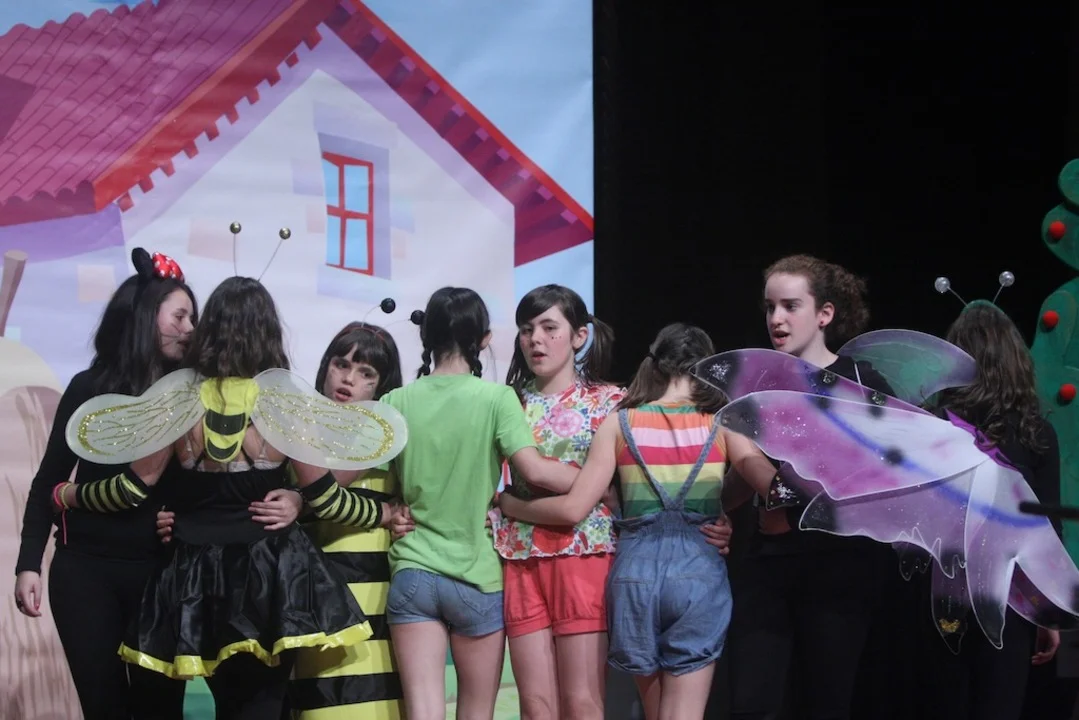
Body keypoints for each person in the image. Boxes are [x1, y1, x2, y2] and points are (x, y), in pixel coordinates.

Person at [53, 276, 406, 719]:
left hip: (195, 577)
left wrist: (68, 495)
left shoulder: (178, 400)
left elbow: (128, 489)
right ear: (268, 332)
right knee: (260, 706)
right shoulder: (283, 403)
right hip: (270, 575)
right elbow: (330, 501)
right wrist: (384, 512)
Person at [498, 323, 782, 720]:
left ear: (657, 364)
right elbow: (769, 485)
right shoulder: (722, 422)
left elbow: (573, 507)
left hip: (634, 575)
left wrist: (509, 504)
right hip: (697, 571)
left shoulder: (620, 423)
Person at [379, 286, 580, 720]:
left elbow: (380, 486)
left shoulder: (395, 402)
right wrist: (598, 481)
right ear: (485, 339)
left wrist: (392, 512)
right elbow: (535, 471)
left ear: (426, 337)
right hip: (476, 577)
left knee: (423, 712)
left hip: (412, 570)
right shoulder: (496, 398)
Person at [13, 248, 194, 720]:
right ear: (144, 317)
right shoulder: (88, 387)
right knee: (103, 708)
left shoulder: (192, 398)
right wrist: (28, 563)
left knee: (161, 711)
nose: (190, 329)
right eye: (180, 316)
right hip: (84, 573)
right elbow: (50, 479)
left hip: (160, 576)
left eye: (193, 319)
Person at [723, 254, 903, 720]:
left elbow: (885, 473)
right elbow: (741, 481)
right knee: (751, 702)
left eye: (790, 306)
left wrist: (789, 501)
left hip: (839, 568)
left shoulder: (861, 382)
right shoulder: (757, 384)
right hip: (769, 564)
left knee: (824, 701)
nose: (776, 319)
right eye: (770, 307)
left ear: (825, 314)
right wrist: (718, 510)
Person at [917, 301, 1061, 720]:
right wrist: (1046, 613)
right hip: (1009, 599)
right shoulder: (1036, 433)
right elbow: (1046, 532)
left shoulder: (933, 427)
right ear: (1016, 360)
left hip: (937, 593)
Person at [496, 284, 622, 720]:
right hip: (518, 557)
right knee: (535, 706)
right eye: (526, 329)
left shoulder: (609, 402)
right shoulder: (506, 401)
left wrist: (511, 505)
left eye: (550, 328)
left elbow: (618, 490)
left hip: (584, 554)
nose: (536, 339)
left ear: (579, 336)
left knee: (582, 701)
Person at [288, 320, 407, 719]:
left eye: (365, 372)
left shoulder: (393, 440)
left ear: (382, 385)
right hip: (311, 596)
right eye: (341, 364)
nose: (348, 379)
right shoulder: (294, 432)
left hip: (375, 594)